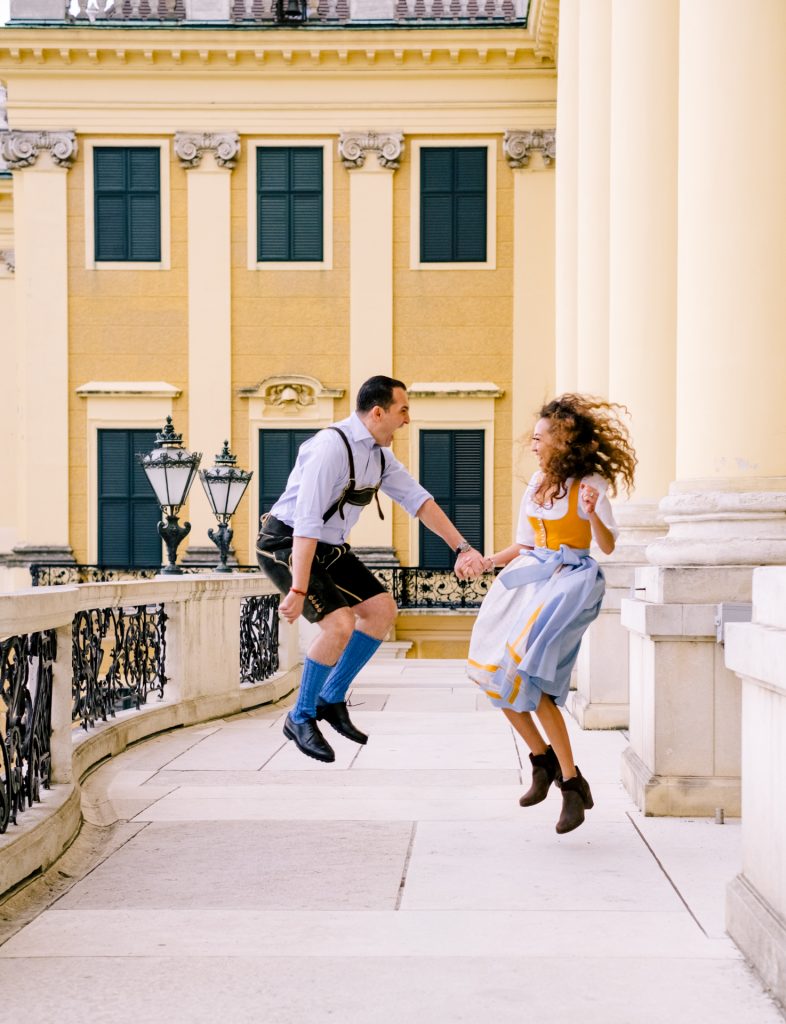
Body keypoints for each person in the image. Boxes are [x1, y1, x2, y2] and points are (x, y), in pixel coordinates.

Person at [257, 375, 485, 763]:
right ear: (378, 412)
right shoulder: (330, 447)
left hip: (329, 547)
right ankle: (300, 716)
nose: (407, 420)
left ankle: (330, 698)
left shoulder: (378, 456)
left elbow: (419, 501)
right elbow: (307, 521)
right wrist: (297, 589)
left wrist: (462, 548)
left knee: (381, 611)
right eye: (403, 411)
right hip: (288, 543)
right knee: (339, 624)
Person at [463, 394, 637, 834]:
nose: (534, 444)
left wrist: (592, 514)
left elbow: (607, 545)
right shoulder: (537, 482)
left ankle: (571, 783)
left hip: (570, 582)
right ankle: (543, 761)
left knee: (531, 676)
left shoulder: (589, 483)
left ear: (563, 440)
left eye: (541, 437)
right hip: (532, 577)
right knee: (493, 674)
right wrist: (488, 561)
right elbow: (524, 544)